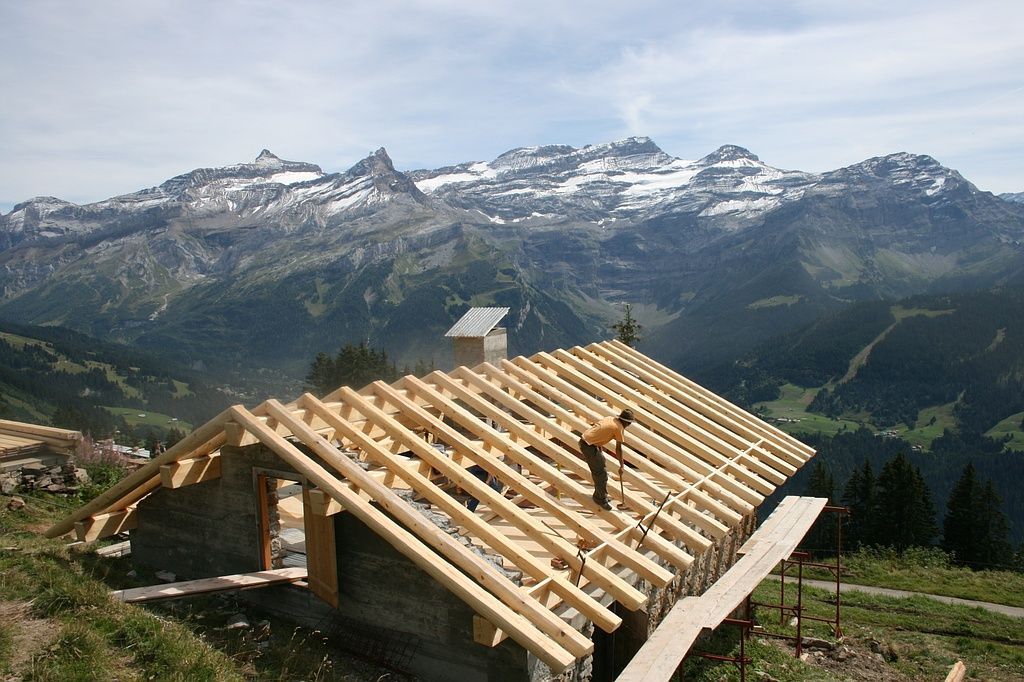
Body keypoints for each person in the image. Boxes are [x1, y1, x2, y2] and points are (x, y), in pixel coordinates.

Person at [579, 409, 635, 510]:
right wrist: (622, 465)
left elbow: (597, 428)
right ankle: (600, 499)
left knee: (601, 466)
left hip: (587, 442)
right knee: (601, 474)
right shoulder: (619, 428)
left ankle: (600, 494)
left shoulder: (610, 418)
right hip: (589, 446)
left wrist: (598, 445)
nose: (629, 425)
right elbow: (618, 449)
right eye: (629, 423)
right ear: (626, 422)